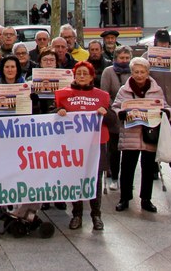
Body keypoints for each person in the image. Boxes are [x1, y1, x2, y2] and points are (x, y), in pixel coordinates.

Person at [55, 61, 113, 231]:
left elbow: (113, 121)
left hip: (96, 144)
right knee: (76, 179)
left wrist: (106, 113)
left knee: (95, 179)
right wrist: (57, 112)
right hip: (73, 146)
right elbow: (52, 117)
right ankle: (77, 214)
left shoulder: (102, 96)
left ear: (91, 76)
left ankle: (96, 215)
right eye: (78, 73)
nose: (81, 76)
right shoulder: (63, 95)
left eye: (85, 73)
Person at [113, 57, 171, 214]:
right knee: (127, 168)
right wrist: (121, 114)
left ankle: (146, 199)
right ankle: (124, 198)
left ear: (148, 72)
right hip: (130, 134)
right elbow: (116, 107)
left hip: (149, 134)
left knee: (148, 168)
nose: (139, 75)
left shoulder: (156, 89)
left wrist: (165, 112)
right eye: (136, 72)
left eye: (142, 72)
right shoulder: (124, 90)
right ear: (131, 72)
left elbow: (166, 107)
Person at [143, 29, 171, 180]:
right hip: (154, 105)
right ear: (155, 42)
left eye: (165, 42)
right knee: (153, 136)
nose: (163, 45)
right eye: (160, 42)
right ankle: (154, 167)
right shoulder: (146, 57)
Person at [101, 45, 133, 191]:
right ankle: (114, 177)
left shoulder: (133, 71)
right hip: (115, 115)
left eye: (127, 58)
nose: (124, 61)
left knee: (129, 150)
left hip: (131, 116)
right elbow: (105, 94)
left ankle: (127, 180)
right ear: (115, 58)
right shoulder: (109, 72)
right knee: (114, 150)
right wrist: (114, 110)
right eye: (122, 58)